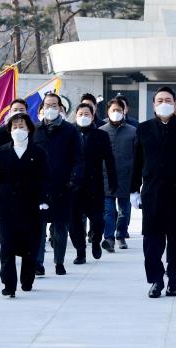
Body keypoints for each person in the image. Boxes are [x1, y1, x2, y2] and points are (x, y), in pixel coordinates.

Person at [130, 87, 176, 298]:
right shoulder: (143, 129)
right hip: (153, 193)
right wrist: (133, 190)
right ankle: (155, 280)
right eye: (160, 100)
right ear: (154, 105)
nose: (164, 103)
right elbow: (136, 161)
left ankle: (174, 280)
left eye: (168, 100)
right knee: (152, 243)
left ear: (174, 104)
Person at [0, 113, 51, 297]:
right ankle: (8, 284)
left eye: (21, 126)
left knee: (29, 246)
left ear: (29, 128)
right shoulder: (2, 151)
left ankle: (27, 279)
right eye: (14, 127)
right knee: (7, 246)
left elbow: (45, 178)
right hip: (7, 205)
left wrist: (44, 199)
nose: (18, 130)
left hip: (31, 206)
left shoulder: (38, 152)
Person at [33, 93, 84, 276]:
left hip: (63, 186)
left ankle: (59, 262)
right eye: (47, 105)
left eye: (54, 105)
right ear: (42, 108)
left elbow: (78, 159)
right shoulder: (36, 130)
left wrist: (72, 181)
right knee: (38, 226)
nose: (51, 109)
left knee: (60, 226)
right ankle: (38, 262)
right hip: (40, 187)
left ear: (60, 108)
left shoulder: (70, 131)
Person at [69, 104, 117, 264]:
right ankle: (80, 251)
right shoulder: (70, 134)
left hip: (94, 185)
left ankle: (96, 240)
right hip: (73, 186)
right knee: (75, 222)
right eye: (80, 113)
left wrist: (113, 181)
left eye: (87, 113)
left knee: (98, 220)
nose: (83, 116)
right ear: (76, 115)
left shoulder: (100, 135)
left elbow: (109, 160)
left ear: (92, 115)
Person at [99, 98, 137, 251]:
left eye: (119, 110)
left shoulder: (133, 131)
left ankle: (121, 235)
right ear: (107, 112)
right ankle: (108, 238)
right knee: (108, 211)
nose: (116, 113)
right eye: (113, 110)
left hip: (125, 178)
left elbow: (137, 156)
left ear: (124, 112)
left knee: (124, 212)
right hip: (106, 178)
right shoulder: (101, 131)